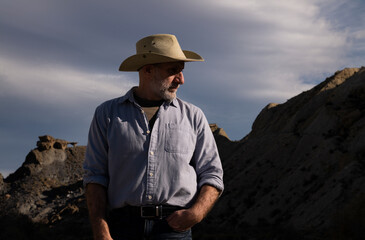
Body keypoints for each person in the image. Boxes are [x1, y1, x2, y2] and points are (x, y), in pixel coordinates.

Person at [83, 34, 224, 240]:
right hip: (121, 229)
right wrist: (101, 231)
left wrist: (196, 213)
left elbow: (212, 174)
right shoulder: (107, 113)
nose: (181, 79)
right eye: (173, 71)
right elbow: (95, 176)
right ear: (148, 70)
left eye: (181, 71)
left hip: (173, 230)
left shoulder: (193, 116)